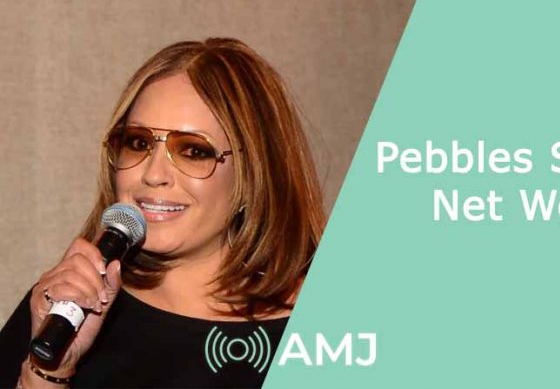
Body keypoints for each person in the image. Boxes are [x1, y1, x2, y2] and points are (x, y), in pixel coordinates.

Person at [0, 38, 326, 387]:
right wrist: (48, 372)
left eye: (194, 151)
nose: (153, 174)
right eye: (138, 143)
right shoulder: (62, 312)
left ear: (255, 173)